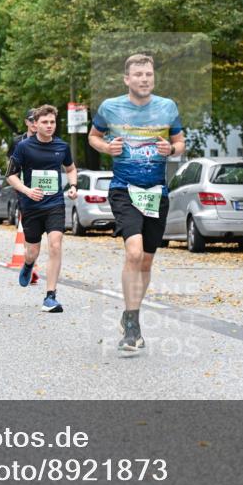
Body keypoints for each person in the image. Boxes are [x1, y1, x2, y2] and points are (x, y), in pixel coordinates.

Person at [88, 53, 185, 354]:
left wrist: (172, 149)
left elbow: (180, 143)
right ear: (127, 79)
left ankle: (131, 314)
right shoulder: (110, 107)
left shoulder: (167, 107)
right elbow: (93, 137)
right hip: (124, 190)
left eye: (149, 74)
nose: (144, 79)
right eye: (139, 74)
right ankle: (132, 327)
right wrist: (107, 147)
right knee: (133, 252)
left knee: (146, 260)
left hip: (156, 192)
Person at [6, 104, 78, 313]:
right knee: (32, 252)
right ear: (35, 124)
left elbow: (71, 168)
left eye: (52, 122)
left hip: (54, 204)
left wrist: (73, 186)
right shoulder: (23, 147)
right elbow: (10, 175)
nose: (49, 125)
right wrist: (27, 191)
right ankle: (29, 265)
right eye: (44, 122)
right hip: (31, 206)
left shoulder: (62, 146)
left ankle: (50, 296)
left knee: (55, 245)